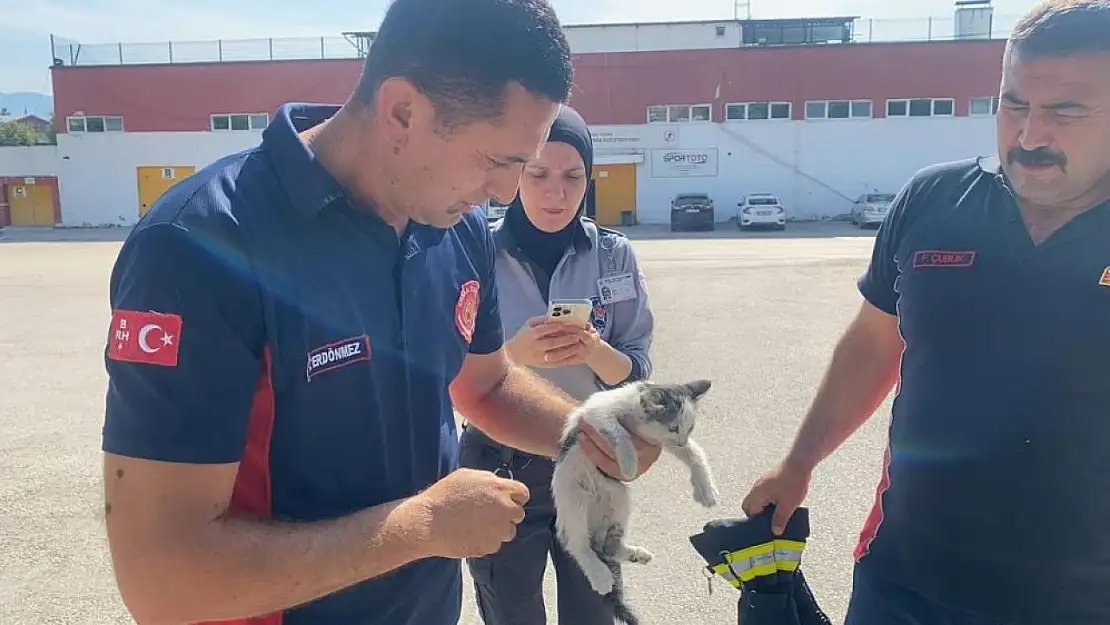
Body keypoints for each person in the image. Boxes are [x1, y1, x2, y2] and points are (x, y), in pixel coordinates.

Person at [97, 1, 664, 624]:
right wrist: (420, 527)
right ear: (402, 111)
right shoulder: (200, 246)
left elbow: (486, 385)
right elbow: (162, 579)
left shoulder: (458, 228)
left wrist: (586, 434)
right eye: (498, 162)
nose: (507, 194)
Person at [740, 1, 1110, 624]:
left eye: (1065, 111)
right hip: (904, 581)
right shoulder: (932, 201)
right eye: (1014, 103)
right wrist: (800, 460)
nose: (1030, 135)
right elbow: (873, 344)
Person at [458, 105, 655, 625]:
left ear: (588, 180)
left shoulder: (613, 256)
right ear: (516, 172)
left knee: (592, 612)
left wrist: (594, 350)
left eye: (573, 178)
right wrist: (510, 357)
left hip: (592, 467)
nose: (556, 193)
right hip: (499, 465)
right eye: (538, 173)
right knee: (511, 613)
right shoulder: (475, 249)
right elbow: (443, 370)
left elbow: (636, 377)